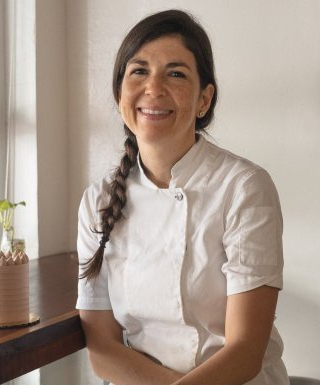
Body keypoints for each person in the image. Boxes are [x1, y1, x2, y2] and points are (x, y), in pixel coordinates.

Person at [76, 9, 288, 385]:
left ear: (204, 99)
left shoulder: (244, 188)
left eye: (176, 74)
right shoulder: (99, 202)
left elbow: (246, 350)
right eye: (139, 71)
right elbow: (102, 347)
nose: (153, 89)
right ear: (119, 93)